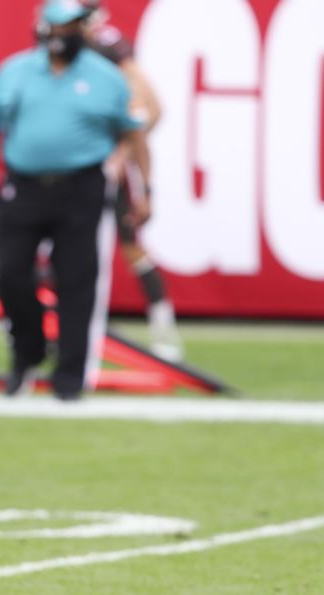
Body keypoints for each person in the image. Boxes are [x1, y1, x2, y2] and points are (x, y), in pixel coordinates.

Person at [0, 0, 149, 401]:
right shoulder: (15, 71)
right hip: (23, 186)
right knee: (10, 274)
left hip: (80, 188)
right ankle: (28, 349)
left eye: (74, 28)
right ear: (44, 29)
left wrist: (145, 189)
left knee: (78, 282)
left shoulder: (107, 78)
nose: (66, 36)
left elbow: (135, 132)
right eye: (61, 28)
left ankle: (69, 379)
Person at [82, 0, 182, 361]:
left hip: (98, 167)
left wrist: (120, 152)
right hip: (68, 166)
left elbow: (149, 108)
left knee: (127, 244)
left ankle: (163, 327)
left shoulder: (106, 46)